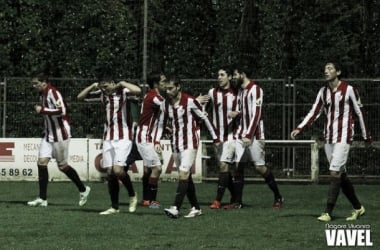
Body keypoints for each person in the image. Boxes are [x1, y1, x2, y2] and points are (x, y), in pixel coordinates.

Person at [290, 62, 371, 222]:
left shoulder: (349, 90)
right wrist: (300, 128)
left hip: (344, 137)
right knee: (340, 175)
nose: (326, 71)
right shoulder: (323, 91)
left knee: (334, 173)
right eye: (325, 69)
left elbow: (359, 112)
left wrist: (366, 135)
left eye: (330, 68)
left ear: (338, 71)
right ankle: (358, 208)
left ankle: (327, 212)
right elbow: (314, 112)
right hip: (329, 138)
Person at [156, 76, 220, 218]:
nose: (168, 91)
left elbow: (205, 118)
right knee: (186, 177)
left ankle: (175, 208)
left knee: (183, 173)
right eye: (166, 88)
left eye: (171, 88)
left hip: (190, 143)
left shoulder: (190, 101)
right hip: (175, 144)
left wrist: (215, 137)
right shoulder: (165, 104)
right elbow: (160, 123)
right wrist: (156, 140)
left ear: (178, 87)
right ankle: (196, 208)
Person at [77, 78, 141, 215]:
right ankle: (114, 207)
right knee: (110, 173)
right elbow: (80, 97)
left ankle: (132, 195)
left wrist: (122, 82)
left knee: (118, 170)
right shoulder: (102, 95)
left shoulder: (123, 92)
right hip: (108, 138)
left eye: (106, 86)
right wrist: (93, 85)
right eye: (102, 87)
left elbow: (138, 90)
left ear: (112, 83)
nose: (105, 89)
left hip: (124, 137)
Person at [27, 73, 91, 207]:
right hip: (49, 133)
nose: (33, 86)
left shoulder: (53, 92)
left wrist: (43, 110)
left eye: (35, 83)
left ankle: (83, 190)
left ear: (43, 82)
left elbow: (62, 111)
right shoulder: (42, 94)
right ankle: (42, 199)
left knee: (62, 166)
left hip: (60, 133)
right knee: (41, 163)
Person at [226, 65, 283, 209]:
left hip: (254, 135)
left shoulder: (256, 90)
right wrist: (236, 113)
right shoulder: (240, 91)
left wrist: (249, 135)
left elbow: (256, 114)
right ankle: (237, 202)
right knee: (238, 167)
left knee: (260, 167)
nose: (233, 78)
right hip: (241, 134)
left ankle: (278, 197)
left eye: (235, 74)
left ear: (243, 74)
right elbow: (244, 111)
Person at [203, 67, 238, 209]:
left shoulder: (236, 93)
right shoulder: (212, 92)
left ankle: (217, 200)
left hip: (230, 136)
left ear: (229, 77)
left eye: (222, 75)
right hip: (216, 136)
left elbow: (243, 110)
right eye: (218, 75)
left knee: (224, 166)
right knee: (223, 169)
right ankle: (236, 196)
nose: (219, 77)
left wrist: (238, 114)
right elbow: (203, 111)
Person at [136, 73, 166, 208]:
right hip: (145, 138)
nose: (166, 84)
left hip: (148, 137)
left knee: (149, 170)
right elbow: (170, 105)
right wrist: (194, 100)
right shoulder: (154, 96)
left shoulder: (151, 95)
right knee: (157, 168)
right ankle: (152, 201)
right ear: (156, 84)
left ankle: (146, 199)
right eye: (164, 81)